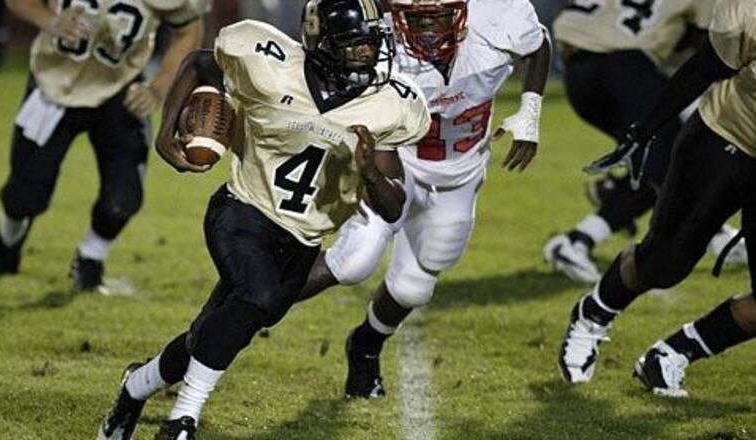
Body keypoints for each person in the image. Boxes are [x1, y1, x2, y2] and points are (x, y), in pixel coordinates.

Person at [96, 0, 431, 438]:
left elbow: (392, 207)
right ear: (322, 44)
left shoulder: (386, 105)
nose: (367, 58)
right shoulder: (267, 62)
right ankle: (182, 420)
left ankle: (136, 387)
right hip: (243, 210)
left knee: (217, 330)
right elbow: (199, 63)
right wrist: (166, 130)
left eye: (371, 46)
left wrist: (370, 173)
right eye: (354, 47)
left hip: (302, 241)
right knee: (254, 296)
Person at [297, 0, 552, 399]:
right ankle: (252, 302)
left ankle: (365, 346)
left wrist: (530, 111)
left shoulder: (499, 13)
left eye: (439, 13)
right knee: (352, 262)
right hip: (395, 161)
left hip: (459, 174)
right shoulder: (376, 36)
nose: (428, 26)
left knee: (415, 287)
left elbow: (537, 45)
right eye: (416, 16)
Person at [558, 0, 756, 397]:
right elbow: (705, 65)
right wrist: (646, 128)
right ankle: (595, 311)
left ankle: (671, 354)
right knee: (664, 264)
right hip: (724, 138)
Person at [0, 0, 207, 292]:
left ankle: (90, 261)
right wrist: (49, 20)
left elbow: (188, 30)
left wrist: (157, 88)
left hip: (121, 89)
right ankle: (6, 245)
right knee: (24, 197)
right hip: (53, 85)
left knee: (122, 198)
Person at [543, 0, 747, 284]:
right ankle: (577, 240)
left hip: (577, 74)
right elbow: (713, 43)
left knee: (656, 163)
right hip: (626, 69)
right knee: (671, 160)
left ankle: (587, 232)